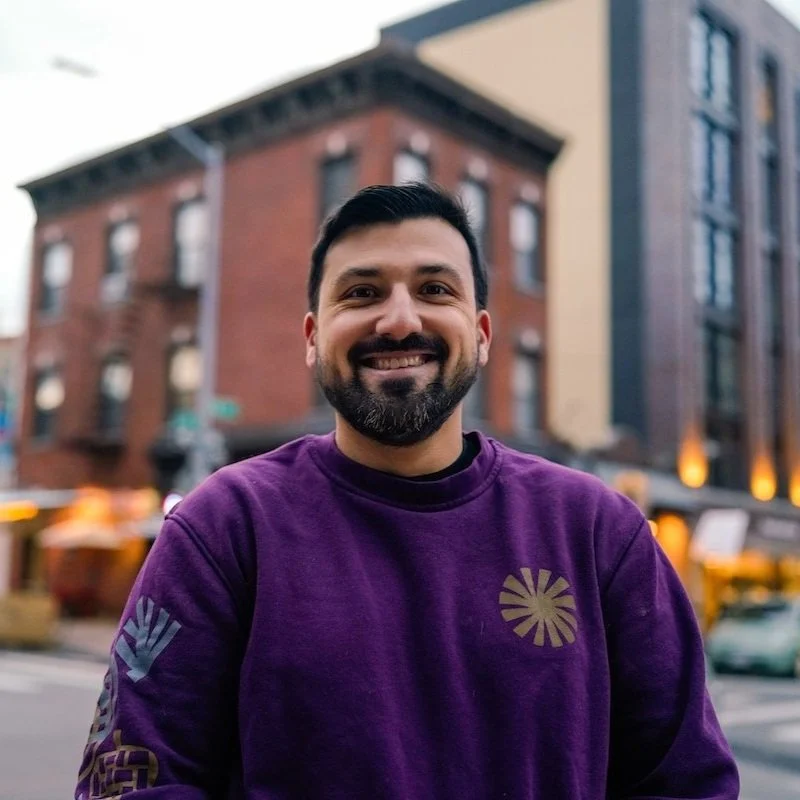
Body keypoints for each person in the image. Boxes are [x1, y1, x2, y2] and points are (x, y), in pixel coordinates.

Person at [76, 182, 738, 799]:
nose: (398, 320)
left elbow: (688, 783)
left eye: (435, 290)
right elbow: (130, 780)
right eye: (362, 293)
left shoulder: (598, 533)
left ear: (481, 334)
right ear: (313, 338)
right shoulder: (224, 528)